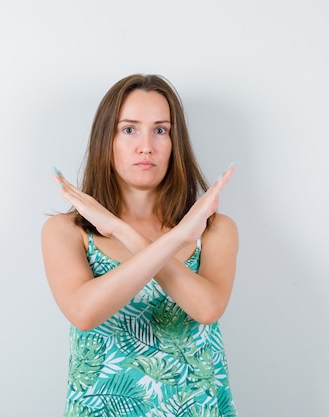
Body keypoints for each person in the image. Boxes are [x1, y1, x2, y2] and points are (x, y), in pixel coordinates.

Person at [41, 74, 238, 416]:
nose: (146, 145)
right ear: (107, 140)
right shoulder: (65, 231)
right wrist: (173, 239)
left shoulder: (215, 230)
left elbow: (207, 309)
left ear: (176, 142)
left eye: (160, 130)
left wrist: (122, 231)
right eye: (129, 129)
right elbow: (84, 313)